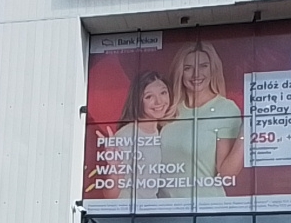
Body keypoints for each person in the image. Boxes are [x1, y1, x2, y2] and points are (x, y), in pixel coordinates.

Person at [160, 41, 244, 200]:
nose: (196, 74)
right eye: (188, 68)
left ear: (213, 69)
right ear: (180, 72)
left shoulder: (225, 108)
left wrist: (246, 133)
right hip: (163, 208)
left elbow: (226, 173)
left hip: (206, 208)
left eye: (203, 66)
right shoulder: (169, 108)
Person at [95, 70, 175, 200]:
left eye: (163, 93)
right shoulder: (126, 136)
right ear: (138, 101)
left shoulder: (164, 132)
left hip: (152, 209)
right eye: (149, 97)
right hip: (129, 210)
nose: (158, 101)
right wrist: (114, 168)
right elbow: (111, 196)